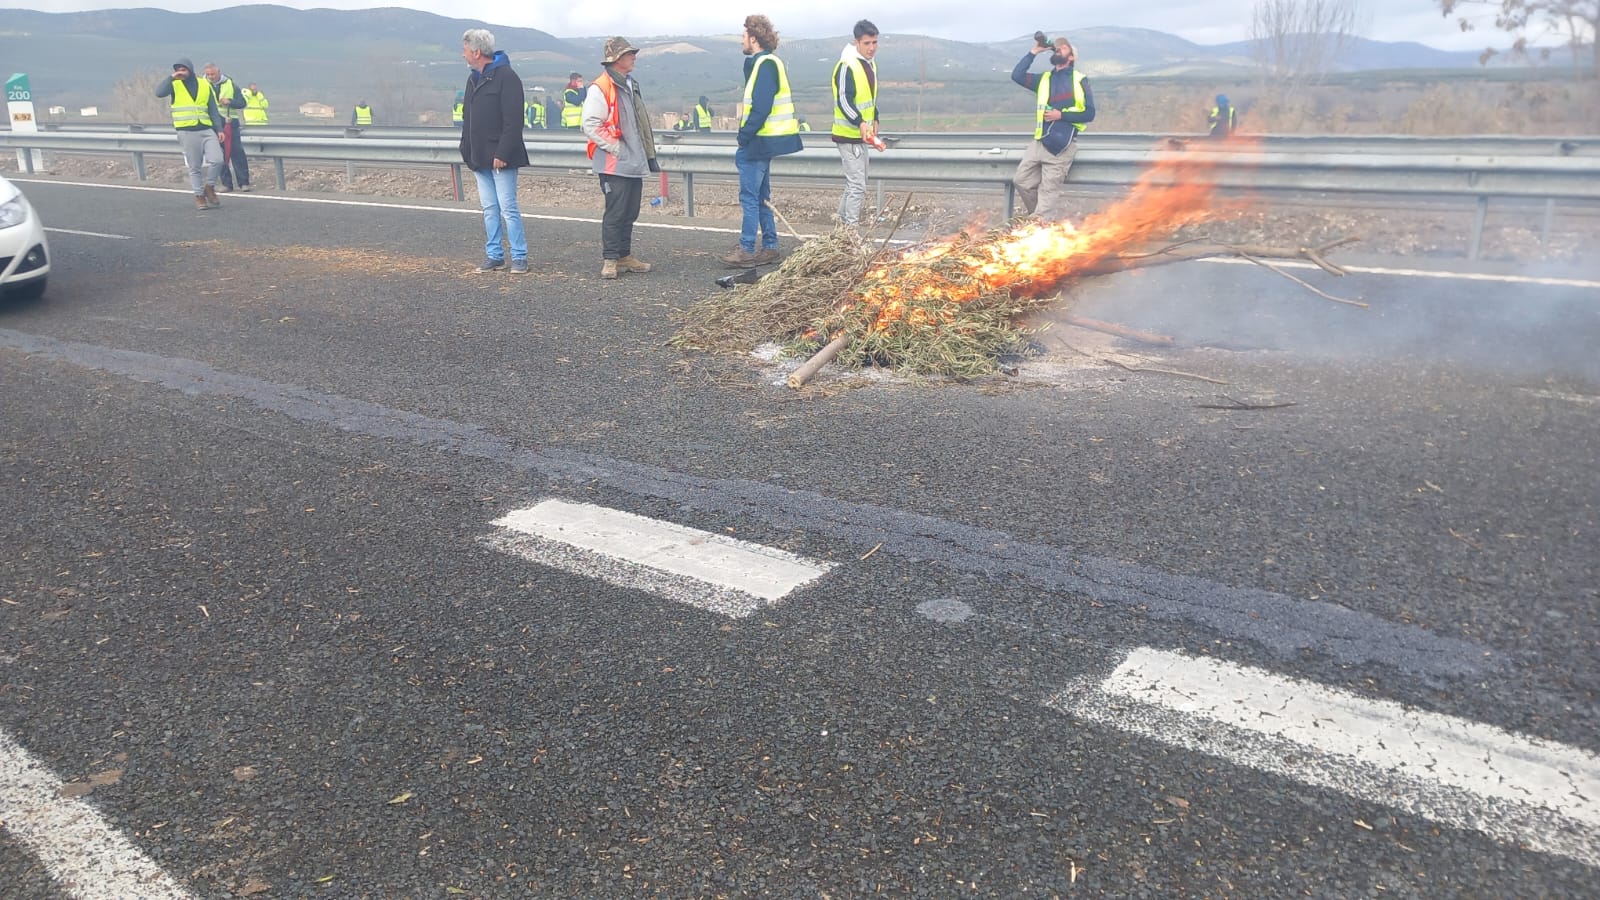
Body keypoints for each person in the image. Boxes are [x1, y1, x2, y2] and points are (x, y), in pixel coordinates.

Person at [722, 14, 802, 268]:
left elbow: (761, 107)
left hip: (758, 141)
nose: (741, 42)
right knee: (761, 197)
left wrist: (744, 136)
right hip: (765, 141)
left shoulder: (765, 65)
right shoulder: (767, 63)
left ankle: (746, 249)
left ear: (753, 39)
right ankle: (769, 246)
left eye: (744, 37)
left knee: (749, 197)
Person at [582, 37, 659, 280]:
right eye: (629, 54)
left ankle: (624, 256)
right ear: (616, 59)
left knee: (629, 211)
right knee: (616, 212)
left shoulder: (629, 83)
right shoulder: (601, 87)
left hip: (632, 161)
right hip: (615, 163)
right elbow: (590, 124)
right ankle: (611, 259)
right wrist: (616, 148)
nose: (633, 57)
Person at [459, 28, 530, 274]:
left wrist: (502, 153)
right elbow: (468, 118)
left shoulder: (507, 77)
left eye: (465, 50)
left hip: (501, 158)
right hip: (478, 157)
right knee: (489, 208)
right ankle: (494, 255)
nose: (463, 55)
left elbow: (513, 121)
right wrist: (465, 150)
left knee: (507, 207)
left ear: (477, 52)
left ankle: (519, 256)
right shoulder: (472, 79)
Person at [1010, 35, 1094, 221]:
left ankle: (1041, 226)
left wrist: (1061, 115)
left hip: (1062, 146)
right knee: (1021, 181)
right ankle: (1041, 221)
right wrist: (1034, 52)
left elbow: (1089, 113)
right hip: (1040, 142)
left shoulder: (1080, 80)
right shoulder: (1045, 80)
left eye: (1063, 48)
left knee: (1048, 193)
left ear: (1071, 57)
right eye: (1057, 47)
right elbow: (1017, 76)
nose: (1058, 49)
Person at [154, 58, 225, 211]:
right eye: (178, 69)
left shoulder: (204, 84)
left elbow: (212, 108)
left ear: (190, 70)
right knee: (195, 167)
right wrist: (171, 77)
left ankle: (209, 187)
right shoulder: (174, 84)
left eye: (184, 69)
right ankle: (199, 196)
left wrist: (219, 129)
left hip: (206, 129)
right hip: (186, 131)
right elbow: (159, 93)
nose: (181, 72)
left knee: (218, 160)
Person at [831, 19, 880, 228]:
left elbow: (868, 97)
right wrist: (859, 122)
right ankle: (850, 234)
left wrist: (875, 117)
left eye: (874, 43)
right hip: (848, 135)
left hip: (863, 135)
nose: (871, 48)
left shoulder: (869, 64)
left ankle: (842, 228)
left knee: (855, 185)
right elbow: (844, 99)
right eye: (867, 43)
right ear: (857, 42)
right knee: (857, 186)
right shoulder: (846, 66)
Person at [204, 63, 251, 192]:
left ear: (218, 73)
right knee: (219, 155)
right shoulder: (202, 85)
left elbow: (242, 103)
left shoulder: (230, 84)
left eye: (212, 74)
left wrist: (230, 101)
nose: (210, 77)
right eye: (208, 75)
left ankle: (244, 183)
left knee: (237, 153)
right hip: (212, 124)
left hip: (230, 123)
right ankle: (226, 184)